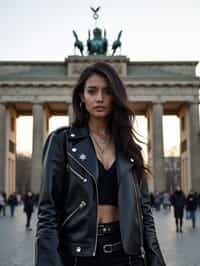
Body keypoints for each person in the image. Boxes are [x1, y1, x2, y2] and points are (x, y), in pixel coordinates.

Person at [35, 62, 166, 266]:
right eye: (92, 91)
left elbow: (144, 213)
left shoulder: (129, 149)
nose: (99, 98)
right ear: (81, 96)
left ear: (115, 97)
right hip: (80, 255)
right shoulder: (62, 142)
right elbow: (48, 212)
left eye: (107, 92)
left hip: (127, 255)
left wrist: (155, 259)